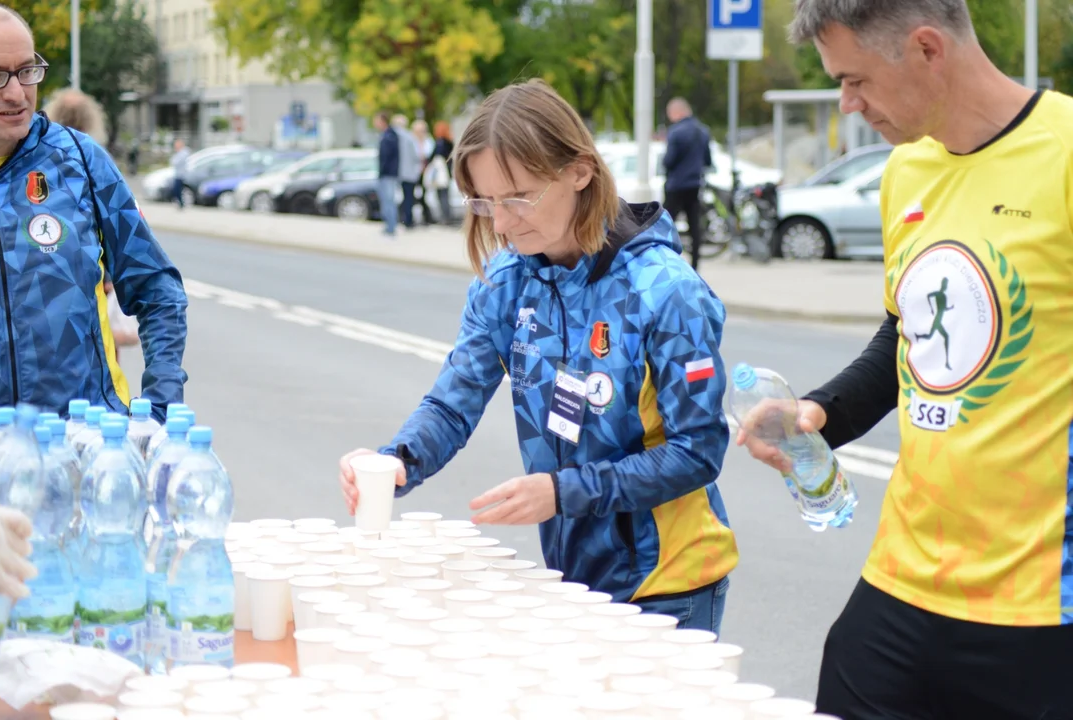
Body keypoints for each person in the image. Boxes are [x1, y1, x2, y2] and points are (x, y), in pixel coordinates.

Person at [738, 1, 1073, 717]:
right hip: (903, 582)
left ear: (926, 48)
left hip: (1043, 609)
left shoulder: (1066, 154)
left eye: (855, 80)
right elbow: (906, 338)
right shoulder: (905, 173)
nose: (847, 106)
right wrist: (816, 414)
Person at [339, 79, 737, 632]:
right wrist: (397, 462)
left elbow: (698, 452)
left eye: (519, 198)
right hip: (571, 575)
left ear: (579, 171)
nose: (500, 224)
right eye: (485, 203)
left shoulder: (665, 290)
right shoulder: (505, 282)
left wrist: (562, 491)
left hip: (669, 581)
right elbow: (453, 405)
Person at [0, 5, 188, 419]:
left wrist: (162, 409)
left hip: (83, 445)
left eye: (27, 71)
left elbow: (158, 290)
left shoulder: (81, 162)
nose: (15, 93)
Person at [44, 87, 141, 361]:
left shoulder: (40, 164)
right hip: (98, 282)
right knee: (103, 360)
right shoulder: (96, 162)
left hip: (51, 286)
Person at [662, 98, 712, 270]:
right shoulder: (703, 131)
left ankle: (664, 260)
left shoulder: (676, 132)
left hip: (676, 185)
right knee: (694, 227)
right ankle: (695, 265)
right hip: (695, 185)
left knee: (665, 224)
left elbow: (668, 161)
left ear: (676, 112)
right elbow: (708, 159)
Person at [392, 114, 421, 229]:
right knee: (409, 197)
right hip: (409, 173)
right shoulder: (409, 137)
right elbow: (415, 155)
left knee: (399, 197)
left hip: (397, 173)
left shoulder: (393, 137)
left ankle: (401, 218)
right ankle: (408, 220)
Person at [373, 112, 399, 237]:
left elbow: (387, 157)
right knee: (385, 201)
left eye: (377, 120)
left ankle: (391, 227)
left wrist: (383, 171)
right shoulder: (385, 135)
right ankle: (388, 225)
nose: (375, 123)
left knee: (389, 200)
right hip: (385, 173)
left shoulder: (390, 136)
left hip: (388, 174)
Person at [428, 120, 455, 225]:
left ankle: (445, 218)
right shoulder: (450, 142)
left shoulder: (440, 143)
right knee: (446, 196)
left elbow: (434, 156)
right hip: (446, 173)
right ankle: (447, 217)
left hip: (440, 174)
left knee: (442, 196)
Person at [411, 119, 435, 225]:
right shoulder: (411, 141)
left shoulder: (429, 141)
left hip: (426, 172)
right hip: (414, 172)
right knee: (412, 195)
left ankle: (427, 217)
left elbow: (429, 154)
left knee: (425, 195)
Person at [170, 138, 190, 209]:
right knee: (178, 190)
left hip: (181, 175)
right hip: (178, 174)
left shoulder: (183, 153)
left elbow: (175, 162)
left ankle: (182, 203)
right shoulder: (179, 153)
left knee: (178, 190)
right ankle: (181, 203)